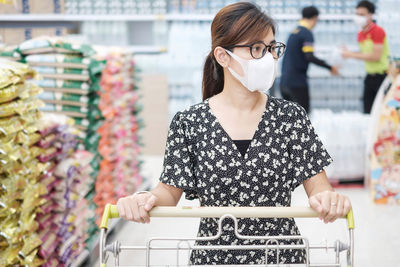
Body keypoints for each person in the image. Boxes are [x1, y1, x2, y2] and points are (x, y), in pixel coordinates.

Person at [116, 2, 352, 265]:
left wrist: (327, 199)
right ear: (223, 56)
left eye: (272, 48)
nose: (269, 58)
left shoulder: (290, 117)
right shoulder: (190, 123)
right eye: (257, 49)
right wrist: (143, 199)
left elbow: (318, 186)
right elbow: (169, 193)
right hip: (214, 257)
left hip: (281, 256)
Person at [280, 6, 339, 113]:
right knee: (303, 117)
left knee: (288, 118)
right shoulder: (306, 33)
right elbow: (309, 56)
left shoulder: (294, 31)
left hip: (284, 82)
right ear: (315, 18)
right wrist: (330, 67)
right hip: (297, 83)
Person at [341, 0, 390, 114]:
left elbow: (375, 56)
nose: (358, 17)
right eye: (357, 14)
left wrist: (351, 55)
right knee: (367, 111)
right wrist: (349, 52)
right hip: (369, 77)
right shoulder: (361, 33)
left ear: (371, 15)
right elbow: (365, 53)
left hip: (382, 77)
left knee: (382, 112)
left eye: (362, 15)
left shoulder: (378, 31)